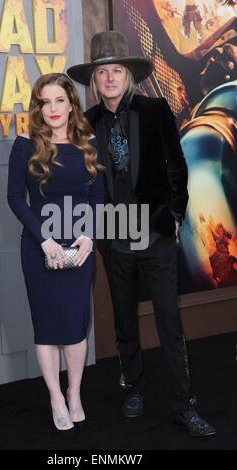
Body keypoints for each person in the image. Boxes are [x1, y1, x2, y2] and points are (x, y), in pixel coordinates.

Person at [67, 31, 216, 436]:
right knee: (124, 321)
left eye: (117, 70)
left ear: (128, 75)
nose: (110, 78)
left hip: (154, 232)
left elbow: (176, 164)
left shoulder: (154, 110)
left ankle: (183, 403)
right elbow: (83, 181)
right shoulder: (88, 122)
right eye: (103, 72)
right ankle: (134, 387)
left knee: (169, 320)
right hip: (114, 236)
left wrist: (174, 213)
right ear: (95, 80)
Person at [7, 73, 104, 432]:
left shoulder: (89, 142)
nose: (52, 109)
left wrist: (89, 238)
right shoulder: (25, 143)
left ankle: (74, 392)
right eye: (44, 102)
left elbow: (97, 197)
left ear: (70, 103)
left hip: (79, 247)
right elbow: (15, 198)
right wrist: (45, 240)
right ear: (38, 106)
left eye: (59, 100)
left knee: (76, 329)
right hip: (38, 248)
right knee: (47, 329)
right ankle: (55, 396)